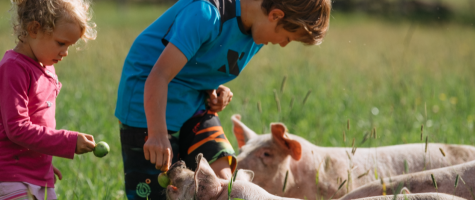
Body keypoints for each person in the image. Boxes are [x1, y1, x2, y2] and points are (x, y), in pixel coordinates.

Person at [115, 0, 331, 198]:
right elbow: (159, 75)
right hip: (148, 109)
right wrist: (157, 133)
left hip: (195, 107)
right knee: (158, 193)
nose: (283, 44)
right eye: (287, 38)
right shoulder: (206, 14)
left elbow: (197, 68)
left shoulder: (255, 37)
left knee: (222, 182)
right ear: (275, 15)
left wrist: (214, 91)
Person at [0, 0, 97, 199]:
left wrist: (42, 162)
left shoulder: (45, 66)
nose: (65, 52)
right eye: (61, 43)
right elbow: (17, 128)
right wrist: (69, 142)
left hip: (33, 172)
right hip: (9, 174)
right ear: (34, 29)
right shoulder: (14, 68)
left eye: (69, 46)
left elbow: (37, 125)